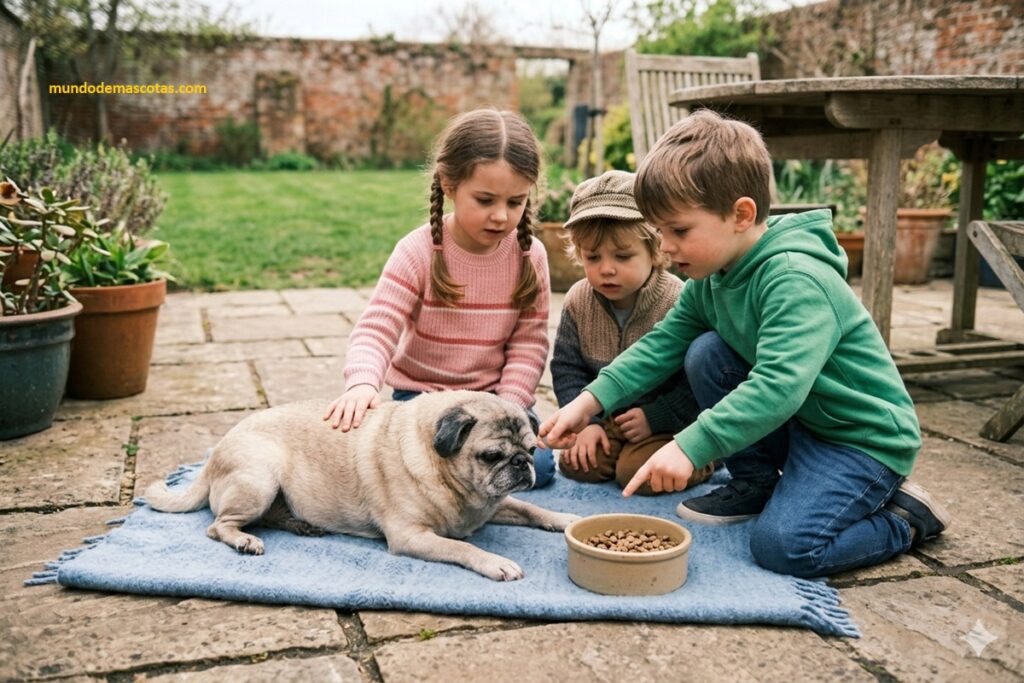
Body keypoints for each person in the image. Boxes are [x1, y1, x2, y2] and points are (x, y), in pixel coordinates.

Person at [540, 110, 950, 577]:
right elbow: (662, 345)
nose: (667, 247)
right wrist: (590, 402)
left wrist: (691, 446)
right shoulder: (712, 278)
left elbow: (777, 388)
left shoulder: (796, 278)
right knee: (706, 352)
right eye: (661, 232)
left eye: (679, 231)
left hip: (859, 440)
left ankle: (906, 517)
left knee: (785, 548)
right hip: (801, 425)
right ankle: (756, 482)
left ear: (741, 215)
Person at [324, 108, 555, 486]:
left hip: (492, 401)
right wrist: (363, 383)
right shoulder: (417, 251)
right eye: (485, 200)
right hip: (418, 399)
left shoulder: (533, 256)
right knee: (413, 464)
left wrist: (511, 403)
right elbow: (376, 329)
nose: (501, 216)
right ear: (449, 184)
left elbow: (529, 343)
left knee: (540, 468)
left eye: (515, 202)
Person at [550, 170, 710, 494]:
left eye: (623, 256)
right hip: (609, 420)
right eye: (592, 257)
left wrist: (656, 417)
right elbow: (567, 369)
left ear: (654, 250)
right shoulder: (579, 301)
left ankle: (703, 458)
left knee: (636, 473)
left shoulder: (676, 299)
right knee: (577, 463)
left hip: (669, 422)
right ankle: (617, 449)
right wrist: (587, 425)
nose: (606, 268)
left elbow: (694, 384)